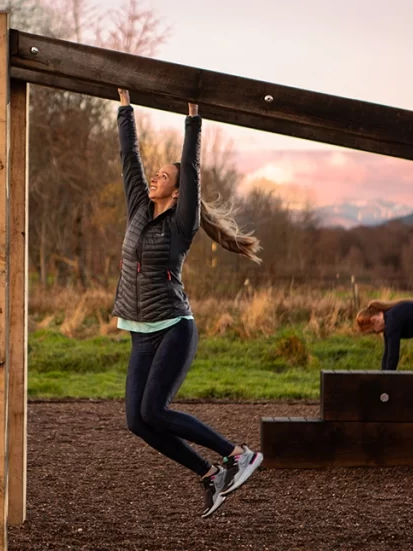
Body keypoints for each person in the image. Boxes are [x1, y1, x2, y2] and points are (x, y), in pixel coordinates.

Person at [113, 89, 263, 519]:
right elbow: (129, 157)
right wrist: (125, 108)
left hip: (174, 326)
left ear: (179, 193)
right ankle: (210, 474)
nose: (156, 177)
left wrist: (193, 119)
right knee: (138, 421)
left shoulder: (182, 224)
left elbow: (191, 169)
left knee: (154, 409)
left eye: (164, 176)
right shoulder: (139, 209)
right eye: (156, 173)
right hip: (141, 332)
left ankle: (238, 454)